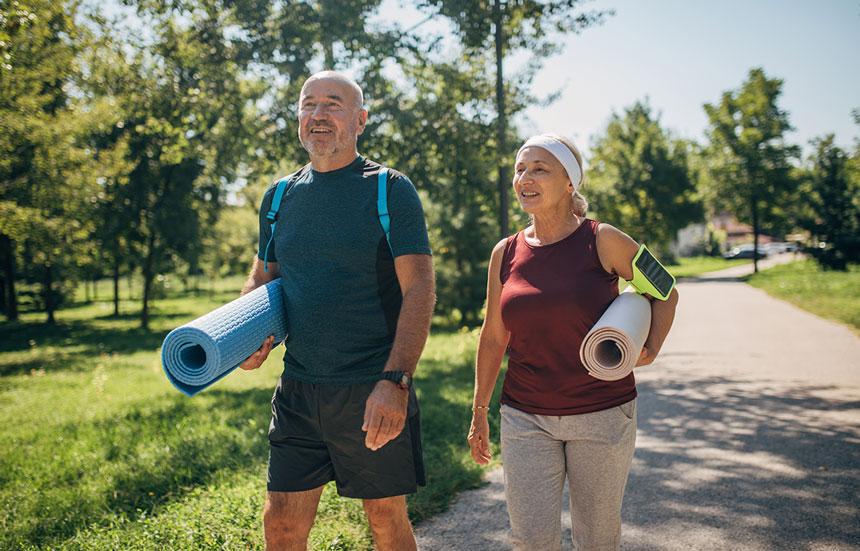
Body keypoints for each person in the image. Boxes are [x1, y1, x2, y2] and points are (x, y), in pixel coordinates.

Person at [238, 71, 435, 551]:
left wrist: (395, 383)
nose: (319, 114)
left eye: (333, 104)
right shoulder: (279, 196)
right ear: (299, 119)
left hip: (371, 384)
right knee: (280, 524)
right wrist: (243, 337)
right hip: (299, 390)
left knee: (385, 519)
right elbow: (263, 275)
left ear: (360, 120)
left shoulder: (389, 189)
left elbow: (421, 291)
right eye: (309, 104)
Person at [467, 134, 679, 550]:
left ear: (570, 183)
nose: (525, 178)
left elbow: (665, 289)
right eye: (520, 168)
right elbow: (493, 336)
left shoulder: (603, 240)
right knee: (530, 539)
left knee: (597, 539)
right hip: (525, 416)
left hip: (601, 413)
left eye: (539, 169)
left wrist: (648, 348)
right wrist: (479, 410)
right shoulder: (505, 252)